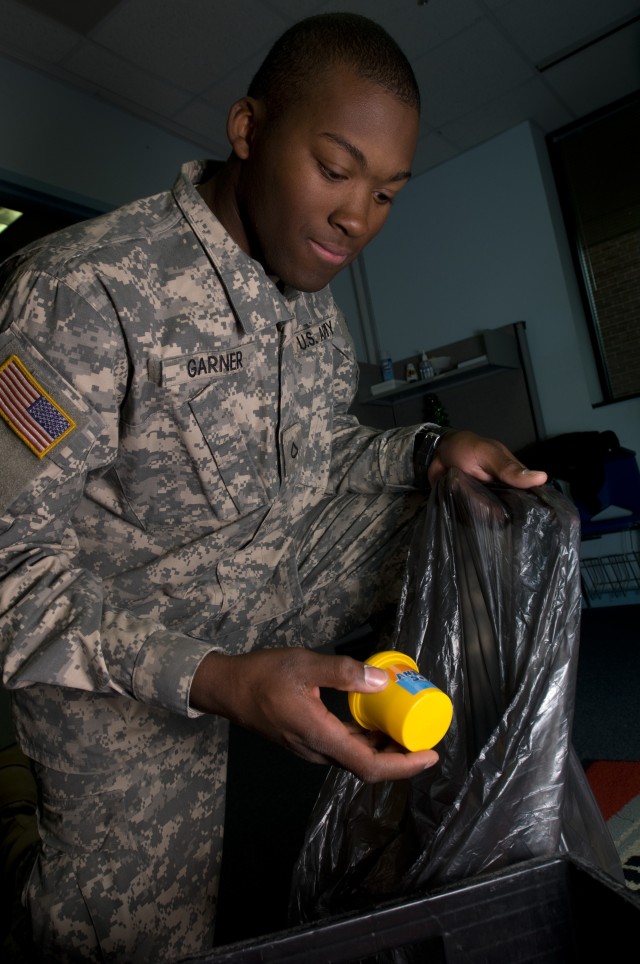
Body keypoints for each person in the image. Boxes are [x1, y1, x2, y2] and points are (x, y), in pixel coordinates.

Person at [0, 11, 547, 962]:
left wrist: (428, 448)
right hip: (127, 648)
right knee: (129, 941)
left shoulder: (311, 311)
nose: (357, 218)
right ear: (249, 130)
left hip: (262, 584)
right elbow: (9, 574)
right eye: (335, 170)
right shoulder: (80, 295)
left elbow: (326, 456)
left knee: (474, 516)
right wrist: (218, 680)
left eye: (387, 193)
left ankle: (455, 811)